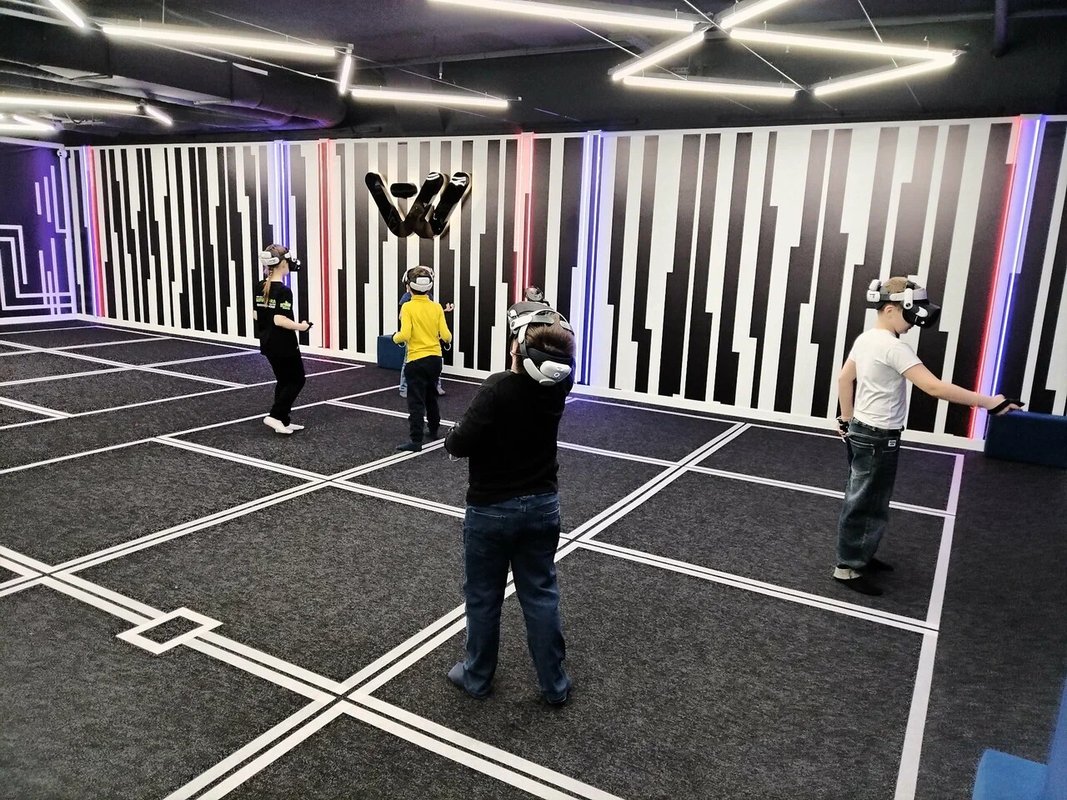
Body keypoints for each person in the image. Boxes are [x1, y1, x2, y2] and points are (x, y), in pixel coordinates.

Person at [834, 276, 1022, 596]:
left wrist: (846, 419)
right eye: (910, 314)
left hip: (865, 432)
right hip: (878, 438)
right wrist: (989, 402)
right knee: (865, 501)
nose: (913, 322)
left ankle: (861, 553)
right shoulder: (894, 347)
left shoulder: (866, 339)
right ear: (890, 309)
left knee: (871, 499)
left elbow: (843, 379)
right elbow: (933, 387)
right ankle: (847, 567)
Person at [443, 300, 576, 706]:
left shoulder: (497, 387)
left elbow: (458, 443)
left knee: (484, 596)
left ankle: (477, 677)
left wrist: (454, 433)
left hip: (491, 510)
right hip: (543, 506)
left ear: (517, 349)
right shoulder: (559, 387)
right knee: (540, 593)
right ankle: (554, 685)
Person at [392, 266, 452, 452]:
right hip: (435, 360)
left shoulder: (408, 307)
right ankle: (434, 429)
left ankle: (416, 441)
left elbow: (404, 334)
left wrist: (395, 338)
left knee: (416, 401)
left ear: (409, 287)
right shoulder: (436, 307)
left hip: (416, 360)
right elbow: (446, 336)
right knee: (431, 395)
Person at [254, 244, 312, 435]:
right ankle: (275, 415)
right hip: (284, 344)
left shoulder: (260, 286)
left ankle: (283, 420)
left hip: (268, 342)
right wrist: (302, 326)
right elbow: (279, 320)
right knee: (297, 380)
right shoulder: (284, 291)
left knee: (284, 380)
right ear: (283, 264)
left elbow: (256, 315)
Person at [398, 266, 452, 399]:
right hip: (415, 340)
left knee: (432, 364)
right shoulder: (407, 299)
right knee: (407, 362)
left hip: (428, 339)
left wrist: (443, 311)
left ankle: (436, 386)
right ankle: (404, 387)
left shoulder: (431, 300)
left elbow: (429, 312)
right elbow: (402, 317)